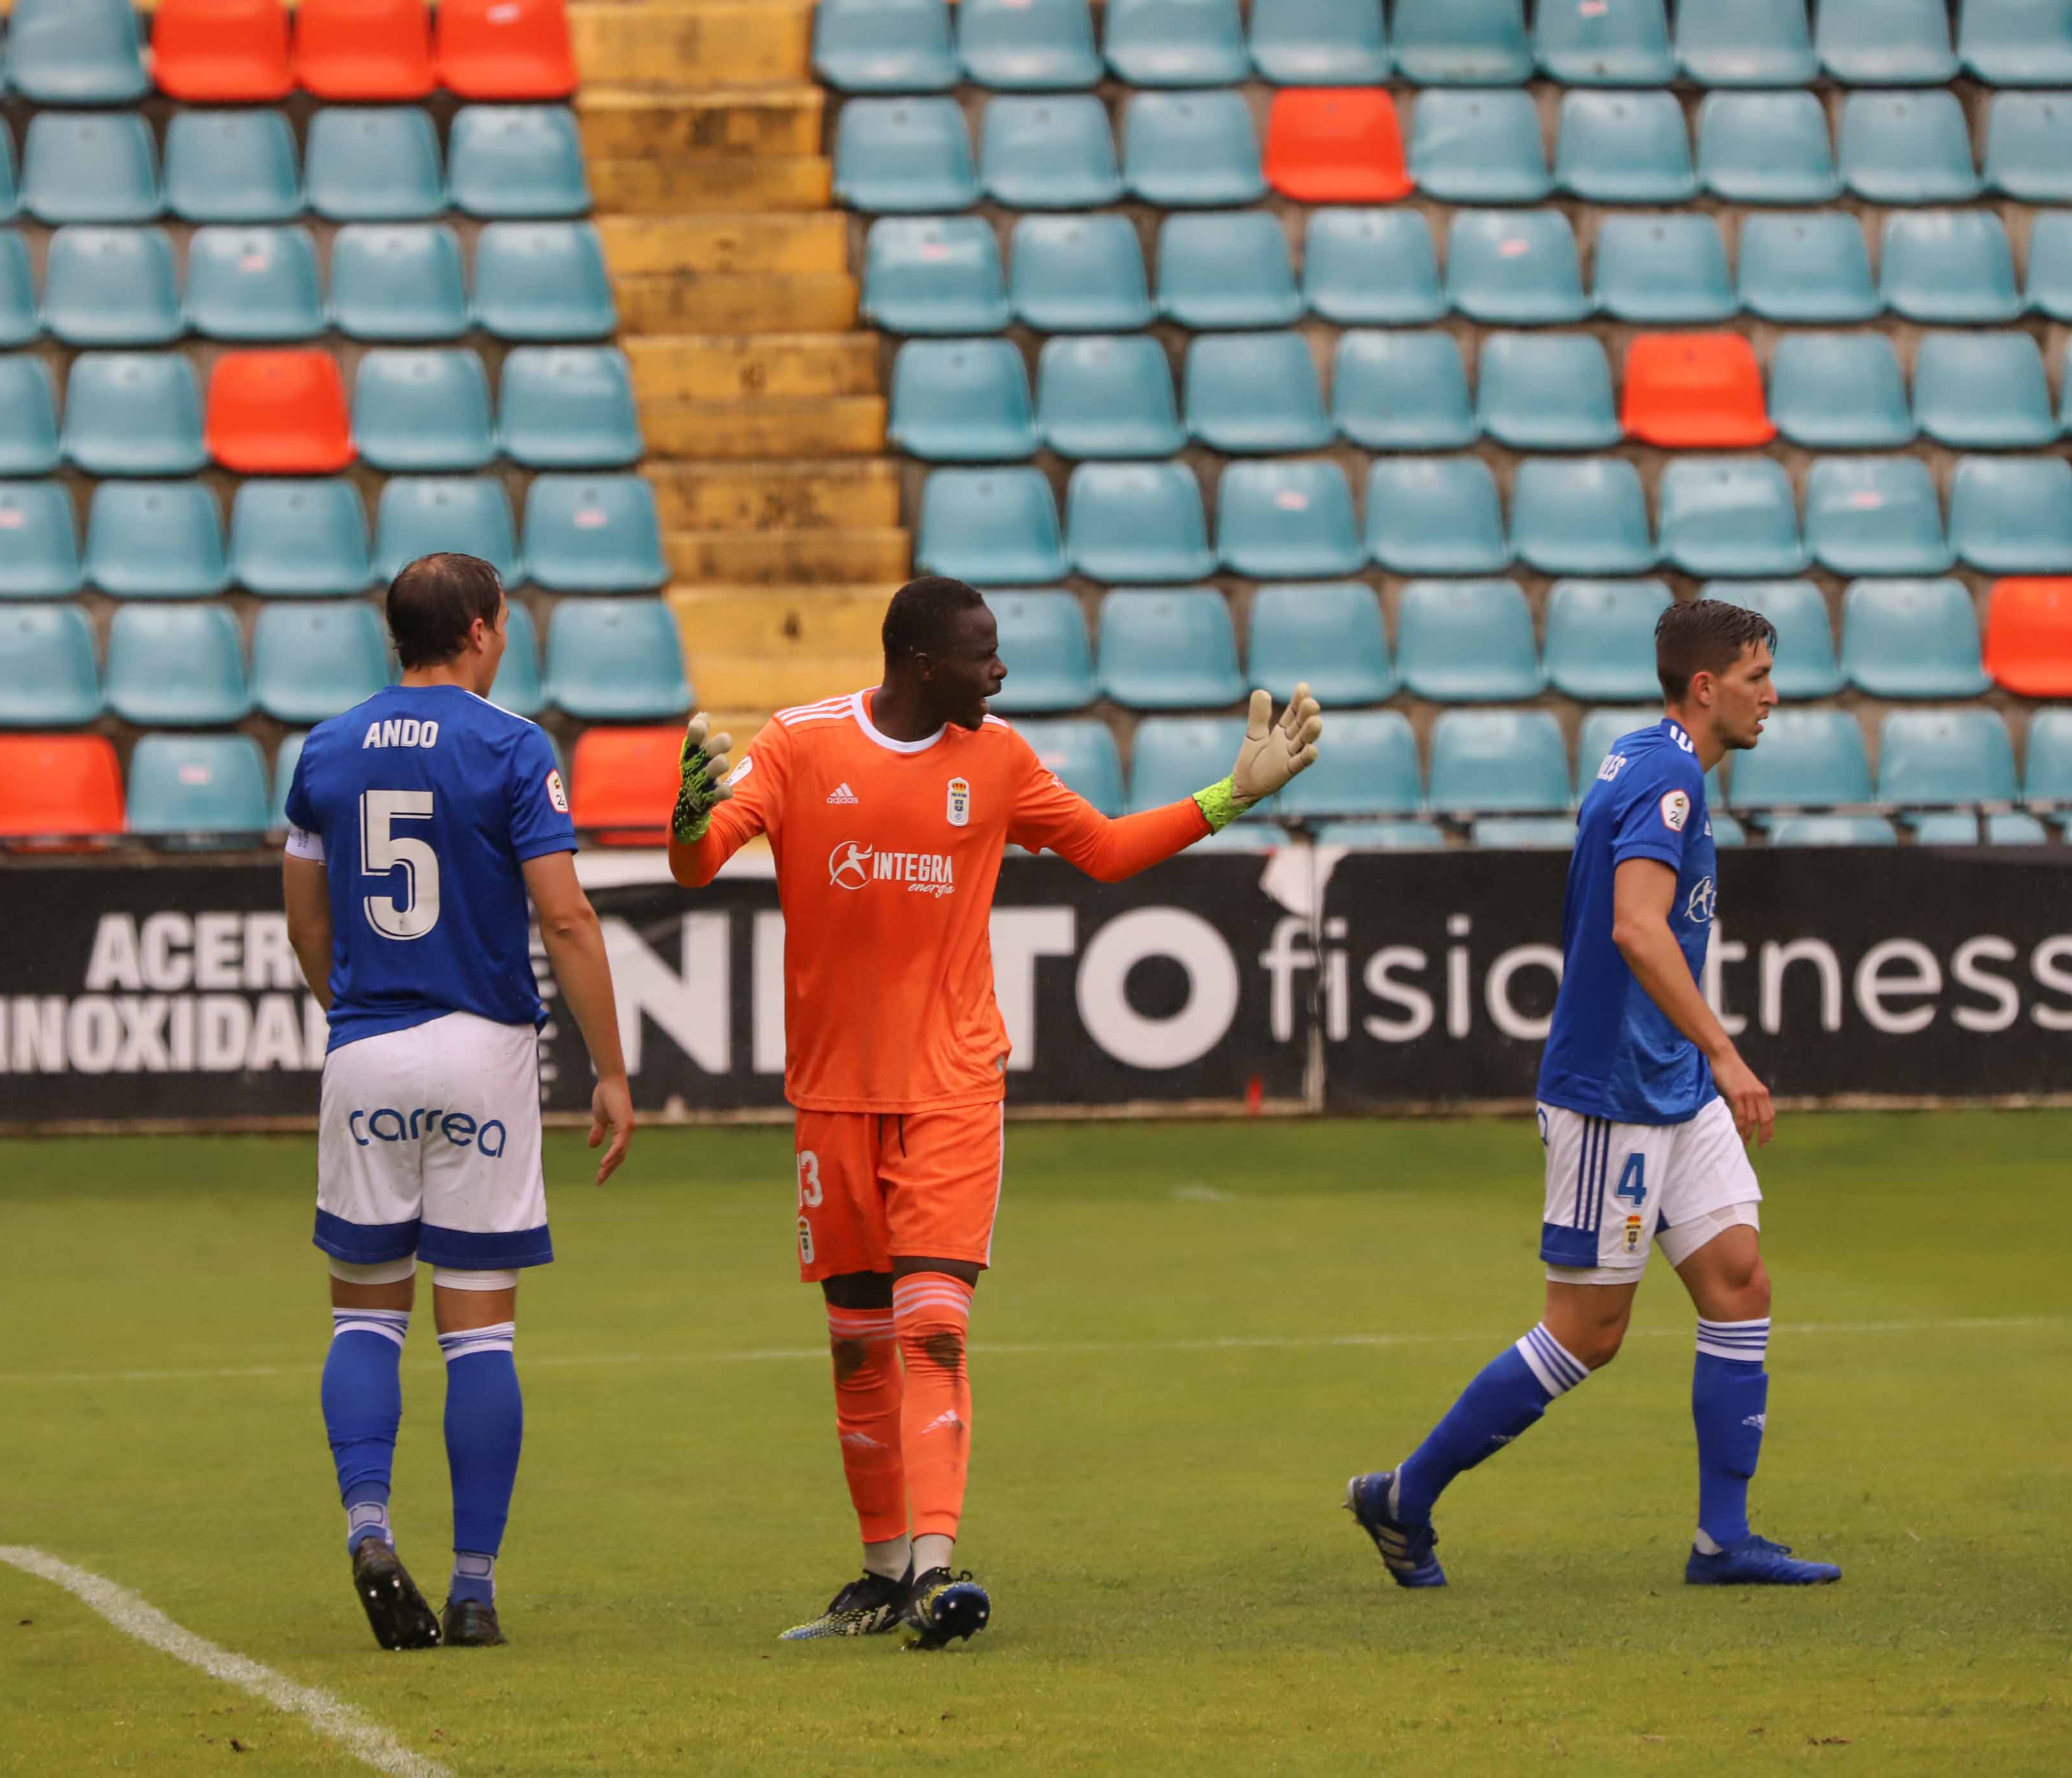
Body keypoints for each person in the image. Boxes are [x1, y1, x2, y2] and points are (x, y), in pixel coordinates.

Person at [670, 574, 1323, 1648]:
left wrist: (1230, 796)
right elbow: (698, 863)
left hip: (953, 1085)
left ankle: (937, 1573)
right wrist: (688, 815)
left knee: (932, 1328)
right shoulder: (801, 743)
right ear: (924, 665)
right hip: (834, 1095)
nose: (1001, 670)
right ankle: (882, 1575)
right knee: (857, 1345)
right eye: (984, 655)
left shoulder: (1001, 759)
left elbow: (1105, 850)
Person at [1347, 598, 1841, 1590]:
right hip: (1615, 1086)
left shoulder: (1647, 756)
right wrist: (1727, 1053)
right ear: (1705, 687)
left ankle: (1723, 1540)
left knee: (1739, 1280)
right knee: (1588, 1333)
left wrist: (1699, 1063)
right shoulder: (1668, 776)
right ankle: (1404, 1495)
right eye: (1757, 679)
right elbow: (1637, 927)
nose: (1772, 697)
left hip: (1669, 1080)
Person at [281, 552, 636, 1652]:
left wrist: (354, 1015)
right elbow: (566, 918)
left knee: (364, 1316)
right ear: (480, 629)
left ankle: (369, 1527)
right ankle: (474, 1588)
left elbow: (305, 919)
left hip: (368, 1046)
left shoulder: (326, 748)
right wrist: (611, 1068)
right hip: (484, 1049)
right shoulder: (514, 745)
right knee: (479, 1331)